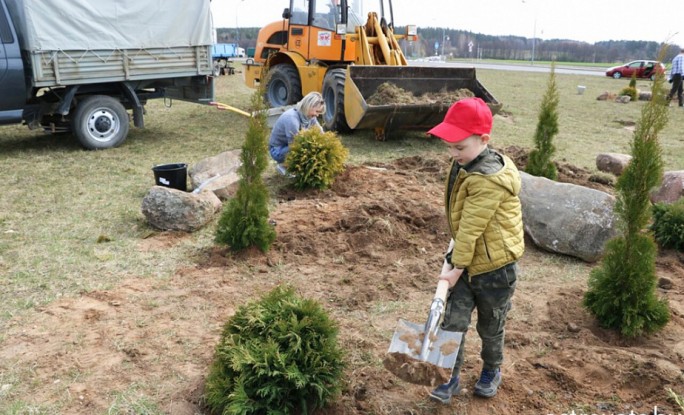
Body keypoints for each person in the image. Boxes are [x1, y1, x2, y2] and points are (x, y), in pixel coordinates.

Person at [425, 97, 525, 404]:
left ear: (484, 140)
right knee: (453, 323)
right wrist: (456, 257)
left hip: (496, 269)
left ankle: (491, 370)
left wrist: (453, 270)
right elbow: (463, 227)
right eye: (450, 147)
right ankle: (449, 376)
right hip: (468, 258)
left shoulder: (488, 180)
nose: (453, 154)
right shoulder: (467, 162)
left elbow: (470, 229)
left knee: (490, 326)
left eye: (459, 147)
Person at [268, 91, 325, 175]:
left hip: (288, 145)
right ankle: (284, 166)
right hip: (278, 150)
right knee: (307, 148)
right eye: (317, 111)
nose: (317, 115)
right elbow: (295, 146)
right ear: (309, 106)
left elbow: (320, 132)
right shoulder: (292, 119)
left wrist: (326, 143)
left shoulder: (309, 116)